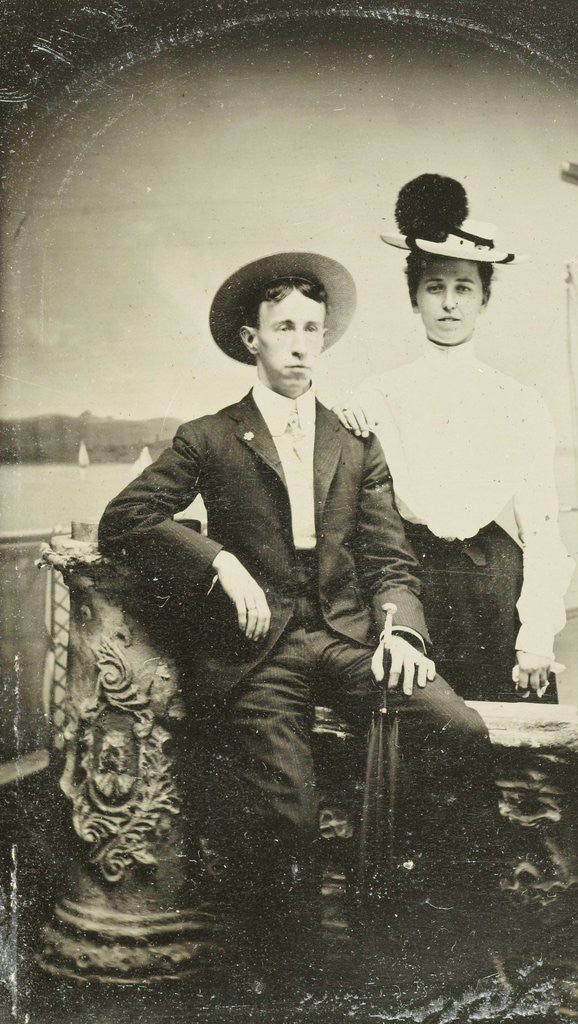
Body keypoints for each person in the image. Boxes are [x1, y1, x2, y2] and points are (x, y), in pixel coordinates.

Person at [98, 251, 492, 984]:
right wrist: (216, 559)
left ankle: (414, 940)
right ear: (253, 340)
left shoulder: (352, 437)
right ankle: (295, 985)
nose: (302, 343)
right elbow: (125, 518)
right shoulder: (209, 437)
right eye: (285, 328)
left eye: (313, 328)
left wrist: (401, 628)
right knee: (289, 820)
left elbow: (389, 560)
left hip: (345, 637)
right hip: (259, 651)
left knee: (459, 728)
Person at [334, 175, 574, 702]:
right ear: (414, 297)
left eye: (464, 288)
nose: (449, 303)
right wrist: (344, 417)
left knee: (510, 752)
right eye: (434, 287)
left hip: (494, 589)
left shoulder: (519, 401)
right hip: (411, 587)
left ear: (484, 298)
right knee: (417, 745)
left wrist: (535, 634)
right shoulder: (375, 396)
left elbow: (542, 529)